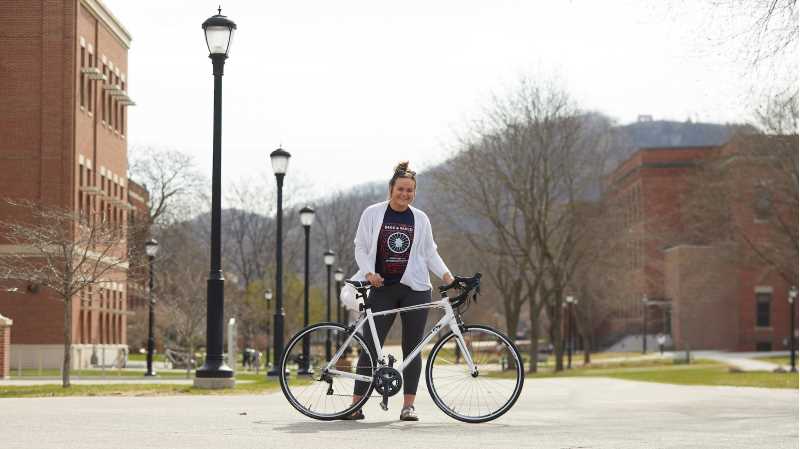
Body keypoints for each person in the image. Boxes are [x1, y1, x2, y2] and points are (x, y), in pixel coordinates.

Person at [343, 161, 454, 422]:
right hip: (382, 289)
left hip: (415, 289)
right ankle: (355, 406)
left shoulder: (420, 218)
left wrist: (448, 276)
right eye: (400, 189)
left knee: (412, 348)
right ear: (391, 188)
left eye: (410, 190)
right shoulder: (373, 213)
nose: (405, 194)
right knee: (371, 347)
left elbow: (430, 253)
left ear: (414, 192)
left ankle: (408, 406)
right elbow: (360, 247)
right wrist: (369, 273)